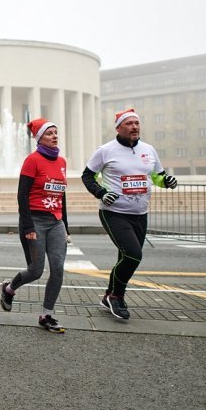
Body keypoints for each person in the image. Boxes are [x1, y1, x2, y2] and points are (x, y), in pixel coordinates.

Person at [82, 108, 177, 320]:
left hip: (140, 213)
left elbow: (157, 176)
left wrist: (167, 182)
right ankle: (117, 296)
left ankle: (109, 295)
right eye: (129, 123)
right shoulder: (106, 150)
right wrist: (101, 192)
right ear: (118, 128)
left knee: (125, 256)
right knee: (134, 255)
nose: (134, 127)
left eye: (136, 123)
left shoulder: (149, 149)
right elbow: (87, 176)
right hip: (114, 212)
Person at [0, 119, 69, 333]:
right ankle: (9, 289)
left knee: (57, 269)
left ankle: (47, 314)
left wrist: (66, 225)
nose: (55, 136)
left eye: (56, 132)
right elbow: (22, 195)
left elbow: (61, 196)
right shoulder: (32, 160)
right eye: (49, 133)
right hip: (35, 221)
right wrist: (28, 227)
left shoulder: (62, 162)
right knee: (36, 271)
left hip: (55, 222)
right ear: (39, 138)